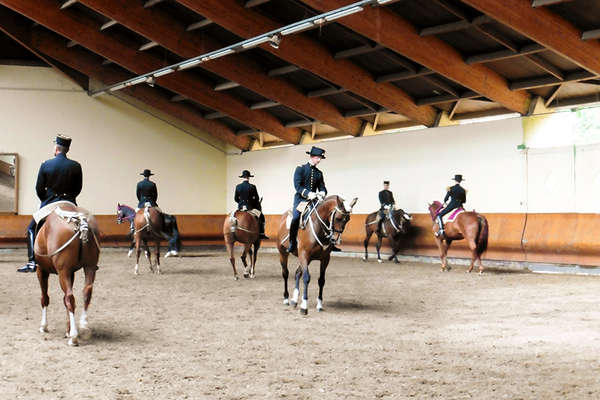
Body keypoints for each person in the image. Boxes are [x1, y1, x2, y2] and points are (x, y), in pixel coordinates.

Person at [18, 134, 83, 273]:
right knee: (84, 227)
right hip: (69, 202)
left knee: (31, 228)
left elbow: (39, 188)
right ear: (67, 150)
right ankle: (86, 259)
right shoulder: (76, 166)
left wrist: (45, 200)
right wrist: (70, 198)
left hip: (50, 202)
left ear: (56, 148)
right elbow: (78, 189)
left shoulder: (46, 164)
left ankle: (32, 262)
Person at [287, 146, 340, 253]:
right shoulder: (300, 169)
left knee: (326, 217)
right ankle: (292, 242)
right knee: (296, 217)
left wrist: (322, 192)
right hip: (301, 200)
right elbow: (297, 186)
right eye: (318, 158)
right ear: (312, 157)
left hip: (315, 201)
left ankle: (329, 242)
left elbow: (322, 186)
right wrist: (308, 193)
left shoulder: (319, 173)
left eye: (320, 158)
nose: (320, 160)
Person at [234, 170, 268, 239]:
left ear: (242, 177)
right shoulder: (252, 187)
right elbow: (257, 198)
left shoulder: (238, 187)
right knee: (262, 217)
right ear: (249, 177)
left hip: (240, 208)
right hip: (250, 208)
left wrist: (241, 203)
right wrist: (253, 203)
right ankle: (262, 233)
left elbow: (235, 198)